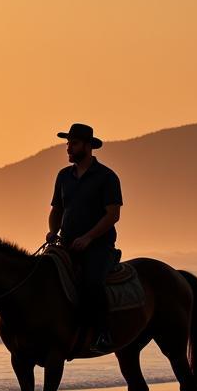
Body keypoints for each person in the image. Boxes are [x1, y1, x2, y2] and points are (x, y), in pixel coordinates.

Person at [47, 122, 123, 354]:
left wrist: (89, 238)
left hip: (98, 246)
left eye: (74, 144)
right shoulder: (63, 176)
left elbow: (113, 215)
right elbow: (57, 210)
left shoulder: (107, 177)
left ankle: (103, 332)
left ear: (89, 146)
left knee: (92, 282)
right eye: (68, 143)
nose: (68, 148)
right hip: (67, 244)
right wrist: (52, 231)